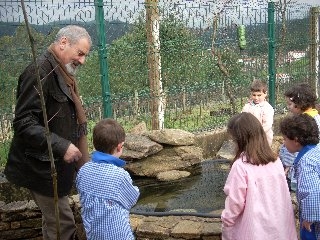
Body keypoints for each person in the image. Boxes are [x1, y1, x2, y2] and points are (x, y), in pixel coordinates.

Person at [4, 25, 92, 240]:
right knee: (63, 225)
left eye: (84, 56)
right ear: (63, 43)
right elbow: (24, 122)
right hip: (40, 168)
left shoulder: (61, 72)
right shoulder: (39, 72)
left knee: (53, 223)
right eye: (80, 54)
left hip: (54, 166)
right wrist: (62, 145)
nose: (82, 61)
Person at [221, 112, 297, 240]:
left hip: (254, 230)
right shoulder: (275, 160)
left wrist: (226, 226)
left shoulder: (241, 166)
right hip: (279, 226)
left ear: (240, 139)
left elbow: (235, 204)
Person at [76, 118, 140, 239]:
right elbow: (132, 199)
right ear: (120, 146)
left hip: (94, 235)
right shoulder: (120, 175)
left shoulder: (83, 170)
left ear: (94, 144)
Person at [280, 114, 320, 240]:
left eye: (285, 139)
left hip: (314, 218)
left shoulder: (306, 162)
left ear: (296, 140)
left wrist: (309, 218)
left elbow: (311, 192)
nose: (283, 142)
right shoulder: (316, 150)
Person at [279, 83, 320, 192]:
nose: (288, 107)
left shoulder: (305, 122)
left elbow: (297, 147)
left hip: (300, 165)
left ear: (300, 104)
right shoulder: (314, 118)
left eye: (290, 104)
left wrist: (288, 165)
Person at [242, 79, 274, 146]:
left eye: (259, 95)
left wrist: (256, 134)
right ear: (251, 94)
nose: (256, 98)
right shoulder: (247, 107)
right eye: (254, 95)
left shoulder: (267, 108)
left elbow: (267, 125)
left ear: (265, 94)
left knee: (261, 154)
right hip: (249, 137)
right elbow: (242, 120)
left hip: (263, 138)